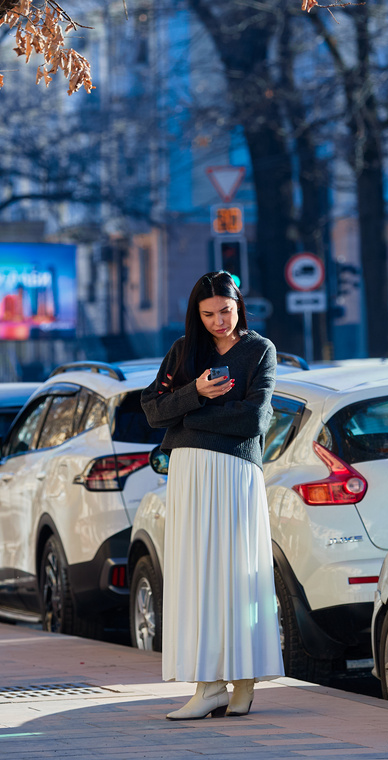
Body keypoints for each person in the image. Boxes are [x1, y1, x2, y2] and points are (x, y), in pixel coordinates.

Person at [141, 271, 283, 720]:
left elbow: (253, 421)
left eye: (226, 310)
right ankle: (209, 684)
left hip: (236, 472)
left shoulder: (260, 351)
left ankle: (242, 679)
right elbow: (151, 409)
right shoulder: (184, 352)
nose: (219, 321)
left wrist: (188, 420)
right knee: (196, 574)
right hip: (189, 476)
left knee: (237, 573)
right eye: (208, 314)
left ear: (239, 304)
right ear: (196, 315)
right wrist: (195, 392)